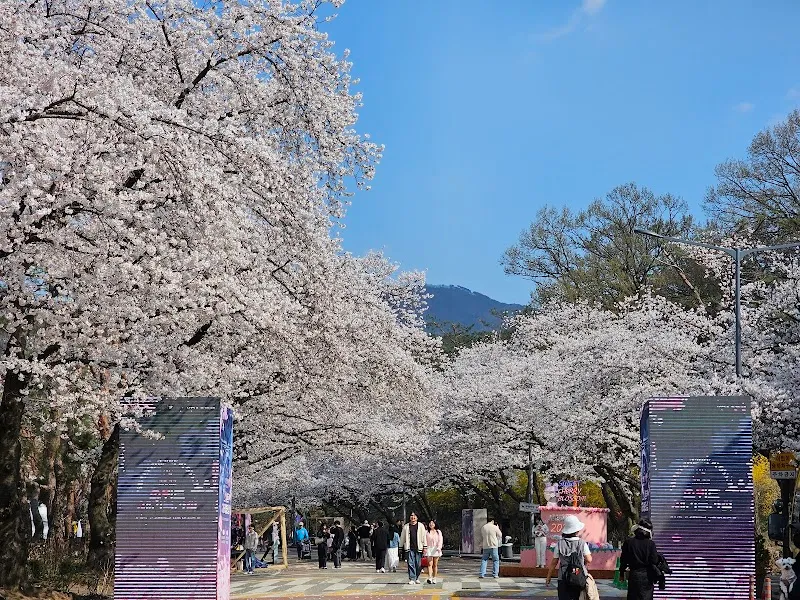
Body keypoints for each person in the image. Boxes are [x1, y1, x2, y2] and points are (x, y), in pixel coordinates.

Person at [545, 514, 592, 600]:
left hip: (563, 577)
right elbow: (589, 559)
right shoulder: (582, 543)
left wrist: (548, 577)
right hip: (579, 576)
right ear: (577, 530)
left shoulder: (559, 544)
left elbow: (554, 563)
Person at [619, 518, 659, 600]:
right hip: (647, 577)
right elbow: (654, 561)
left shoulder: (628, 542)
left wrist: (622, 573)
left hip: (634, 576)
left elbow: (623, 560)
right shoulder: (651, 544)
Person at [400, 512, 427, 585]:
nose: (413, 517)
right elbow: (402, 537)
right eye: (411, 515)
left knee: (418, 564)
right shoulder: (406, 526)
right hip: (409, 548)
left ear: (417, 517)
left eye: (414, 515)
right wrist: (400, 546)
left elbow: (424, 536)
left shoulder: (421, 526)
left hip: (419, 547)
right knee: (410, 563)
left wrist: (425, 546)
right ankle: (412, 578)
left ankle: (417, 577)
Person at [425, 519, 443, 584]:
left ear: (435, 524)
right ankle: (430, 577)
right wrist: (425, 548)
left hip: (436, 549)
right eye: (430, 523)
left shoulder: (438, 532)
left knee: (435, 565)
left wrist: (439, 548)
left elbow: (440, 540)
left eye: (432, 523)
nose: (431, 524)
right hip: (429, 549)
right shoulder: (426, 532)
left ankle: (434, 577)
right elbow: (424, 541)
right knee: (429, 564)